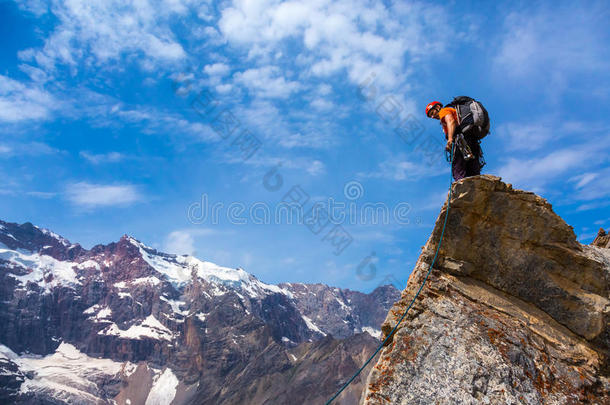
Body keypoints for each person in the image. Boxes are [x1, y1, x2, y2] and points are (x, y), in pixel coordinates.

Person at [425, 100, 484, 181]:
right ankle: (475, 185)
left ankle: (462, 187)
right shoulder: (453, 111)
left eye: (432, 113)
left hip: (460, 140)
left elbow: (451, 121)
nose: (432, 117)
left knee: (458, 167)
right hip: (471, 139)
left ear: (438, 107)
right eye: (430, 116)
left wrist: (449, 139)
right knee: (472, 168)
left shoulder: (443, 111)